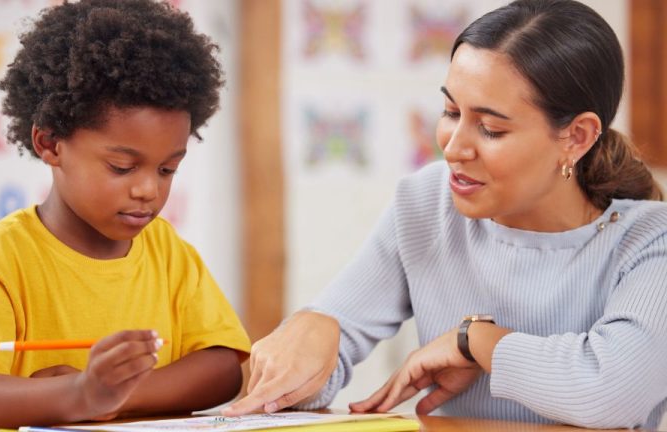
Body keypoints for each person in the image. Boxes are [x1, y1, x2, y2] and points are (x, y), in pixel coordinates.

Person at [223, 0, 667, 429]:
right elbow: (330, 348)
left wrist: (475, 340)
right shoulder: (427, 203)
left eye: (491, 128)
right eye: (451, 111)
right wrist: (313, 332)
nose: (453, 147)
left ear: (576, 136)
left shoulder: (650, 240)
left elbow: (610, 390)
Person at [0, 0, 251, 429]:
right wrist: (80, 394)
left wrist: (117, 393)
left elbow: (223, 369)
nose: (148, 189)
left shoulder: (168, 252)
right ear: (50, 144)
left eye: (168, 169)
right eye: (122, 167)